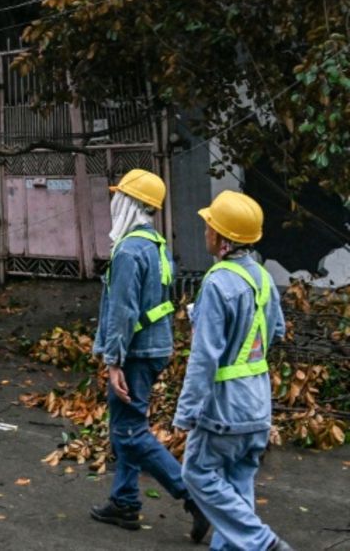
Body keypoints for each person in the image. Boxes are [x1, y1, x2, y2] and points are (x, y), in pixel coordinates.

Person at [90, 169, 209, 540]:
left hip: (135, 353)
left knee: (128, 431)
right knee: (126, 426)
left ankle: (192, 497)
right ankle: (125, 501)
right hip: (155, 347)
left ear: (128, 203)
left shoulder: (127, 251)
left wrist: (113, 362)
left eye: (118, 197)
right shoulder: (155, 244)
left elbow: (123, 313)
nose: (113, 203)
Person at [174, 190, 292, 550]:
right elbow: (276, 331)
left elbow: (204, 358)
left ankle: (262, 543)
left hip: (223, 408)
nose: (205, 230)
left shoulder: (217, 282)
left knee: (197, 473)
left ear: (223, 238)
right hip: (257, 404)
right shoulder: (262, 277)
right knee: (237, 485)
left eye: (210, 225)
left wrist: (186, 412)